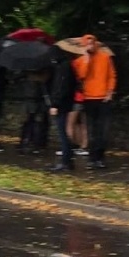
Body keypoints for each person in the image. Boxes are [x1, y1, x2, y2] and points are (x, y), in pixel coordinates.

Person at [73, 34, 117, 170]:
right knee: (91, 130)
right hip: (89, 98)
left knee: (103, 130)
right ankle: (92, 158)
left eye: (92, 43)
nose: (90, 45)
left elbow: (112, 76)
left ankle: (100, 158)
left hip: (103, 98)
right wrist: (86, 59)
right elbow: (81, 75)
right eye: (87, 43)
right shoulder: (79, 60)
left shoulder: (105, 57)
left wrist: (110, 92)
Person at [46, 44, 82, 172]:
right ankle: (67, 160)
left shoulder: (63, 68)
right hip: (67, 103)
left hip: (62, 104)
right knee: (64, 132)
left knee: (63, 133)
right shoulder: (66, 66)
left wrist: (55, 104)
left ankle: (66, 161)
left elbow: (61, 87)